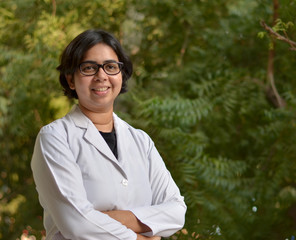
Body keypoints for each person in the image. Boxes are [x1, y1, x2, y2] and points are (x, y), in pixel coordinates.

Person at [31, 29, 187, 240]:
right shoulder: (55, 138)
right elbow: (77, 225)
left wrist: (109, 218)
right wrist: (140, 236)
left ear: (121, 75)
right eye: (88, 68)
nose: (101, 76)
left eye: (111, 67)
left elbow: (176, 211)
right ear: (70, 80)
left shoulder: (141, 141)